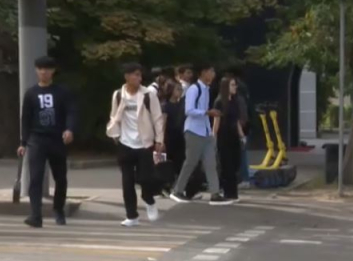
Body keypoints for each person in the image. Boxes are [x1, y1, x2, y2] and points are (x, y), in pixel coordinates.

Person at [18, 56, 76, 228]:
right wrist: (23, 142)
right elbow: (26, 119)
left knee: (60, 177)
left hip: (57, 138)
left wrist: (69, 129)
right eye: (40, 69)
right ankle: (35, 215)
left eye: (47, 69)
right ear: (36, 71)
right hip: (36, 139)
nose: (43, 72)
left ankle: (58, 209)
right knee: (35, 178)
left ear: (53, 71)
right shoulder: (31, 93)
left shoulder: (62, 92)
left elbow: (71, 112)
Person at [106, 62, 165, 226]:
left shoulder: (148, 95)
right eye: (135, 74)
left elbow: (157, 118)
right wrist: (115, 134)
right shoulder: (118, 94)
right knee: (127, 181)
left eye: (140, 75)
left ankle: (149, 199)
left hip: (144, 143)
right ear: (127, 76)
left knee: (145, 178)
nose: (138, 78)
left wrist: (159, 140)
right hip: (125, 143)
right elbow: (113, 116)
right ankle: (132, 215)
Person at [169, 63, 234, 205]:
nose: (213, 74)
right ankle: (177, 190)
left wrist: (209, 121)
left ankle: (215, 194)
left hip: (205, 131)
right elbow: (189, 110)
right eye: (211, 71)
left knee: (211, 163)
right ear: (203, 73)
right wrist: (207, 112)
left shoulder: (206, 89)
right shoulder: (194, 89)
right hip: (193, 131)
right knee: (190, 162)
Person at [212, 77, 248, 200]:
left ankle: (233, 192)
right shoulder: (219, 102)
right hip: (223, 136)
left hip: (233, 136)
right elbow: (216, 122)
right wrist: (214, 137)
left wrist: (242, 135)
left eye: (235, 85)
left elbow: (237, 120)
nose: (235, 87)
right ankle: (228, 192)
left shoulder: (234, 101)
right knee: (227, 165)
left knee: (235, 163)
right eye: (232, 85)